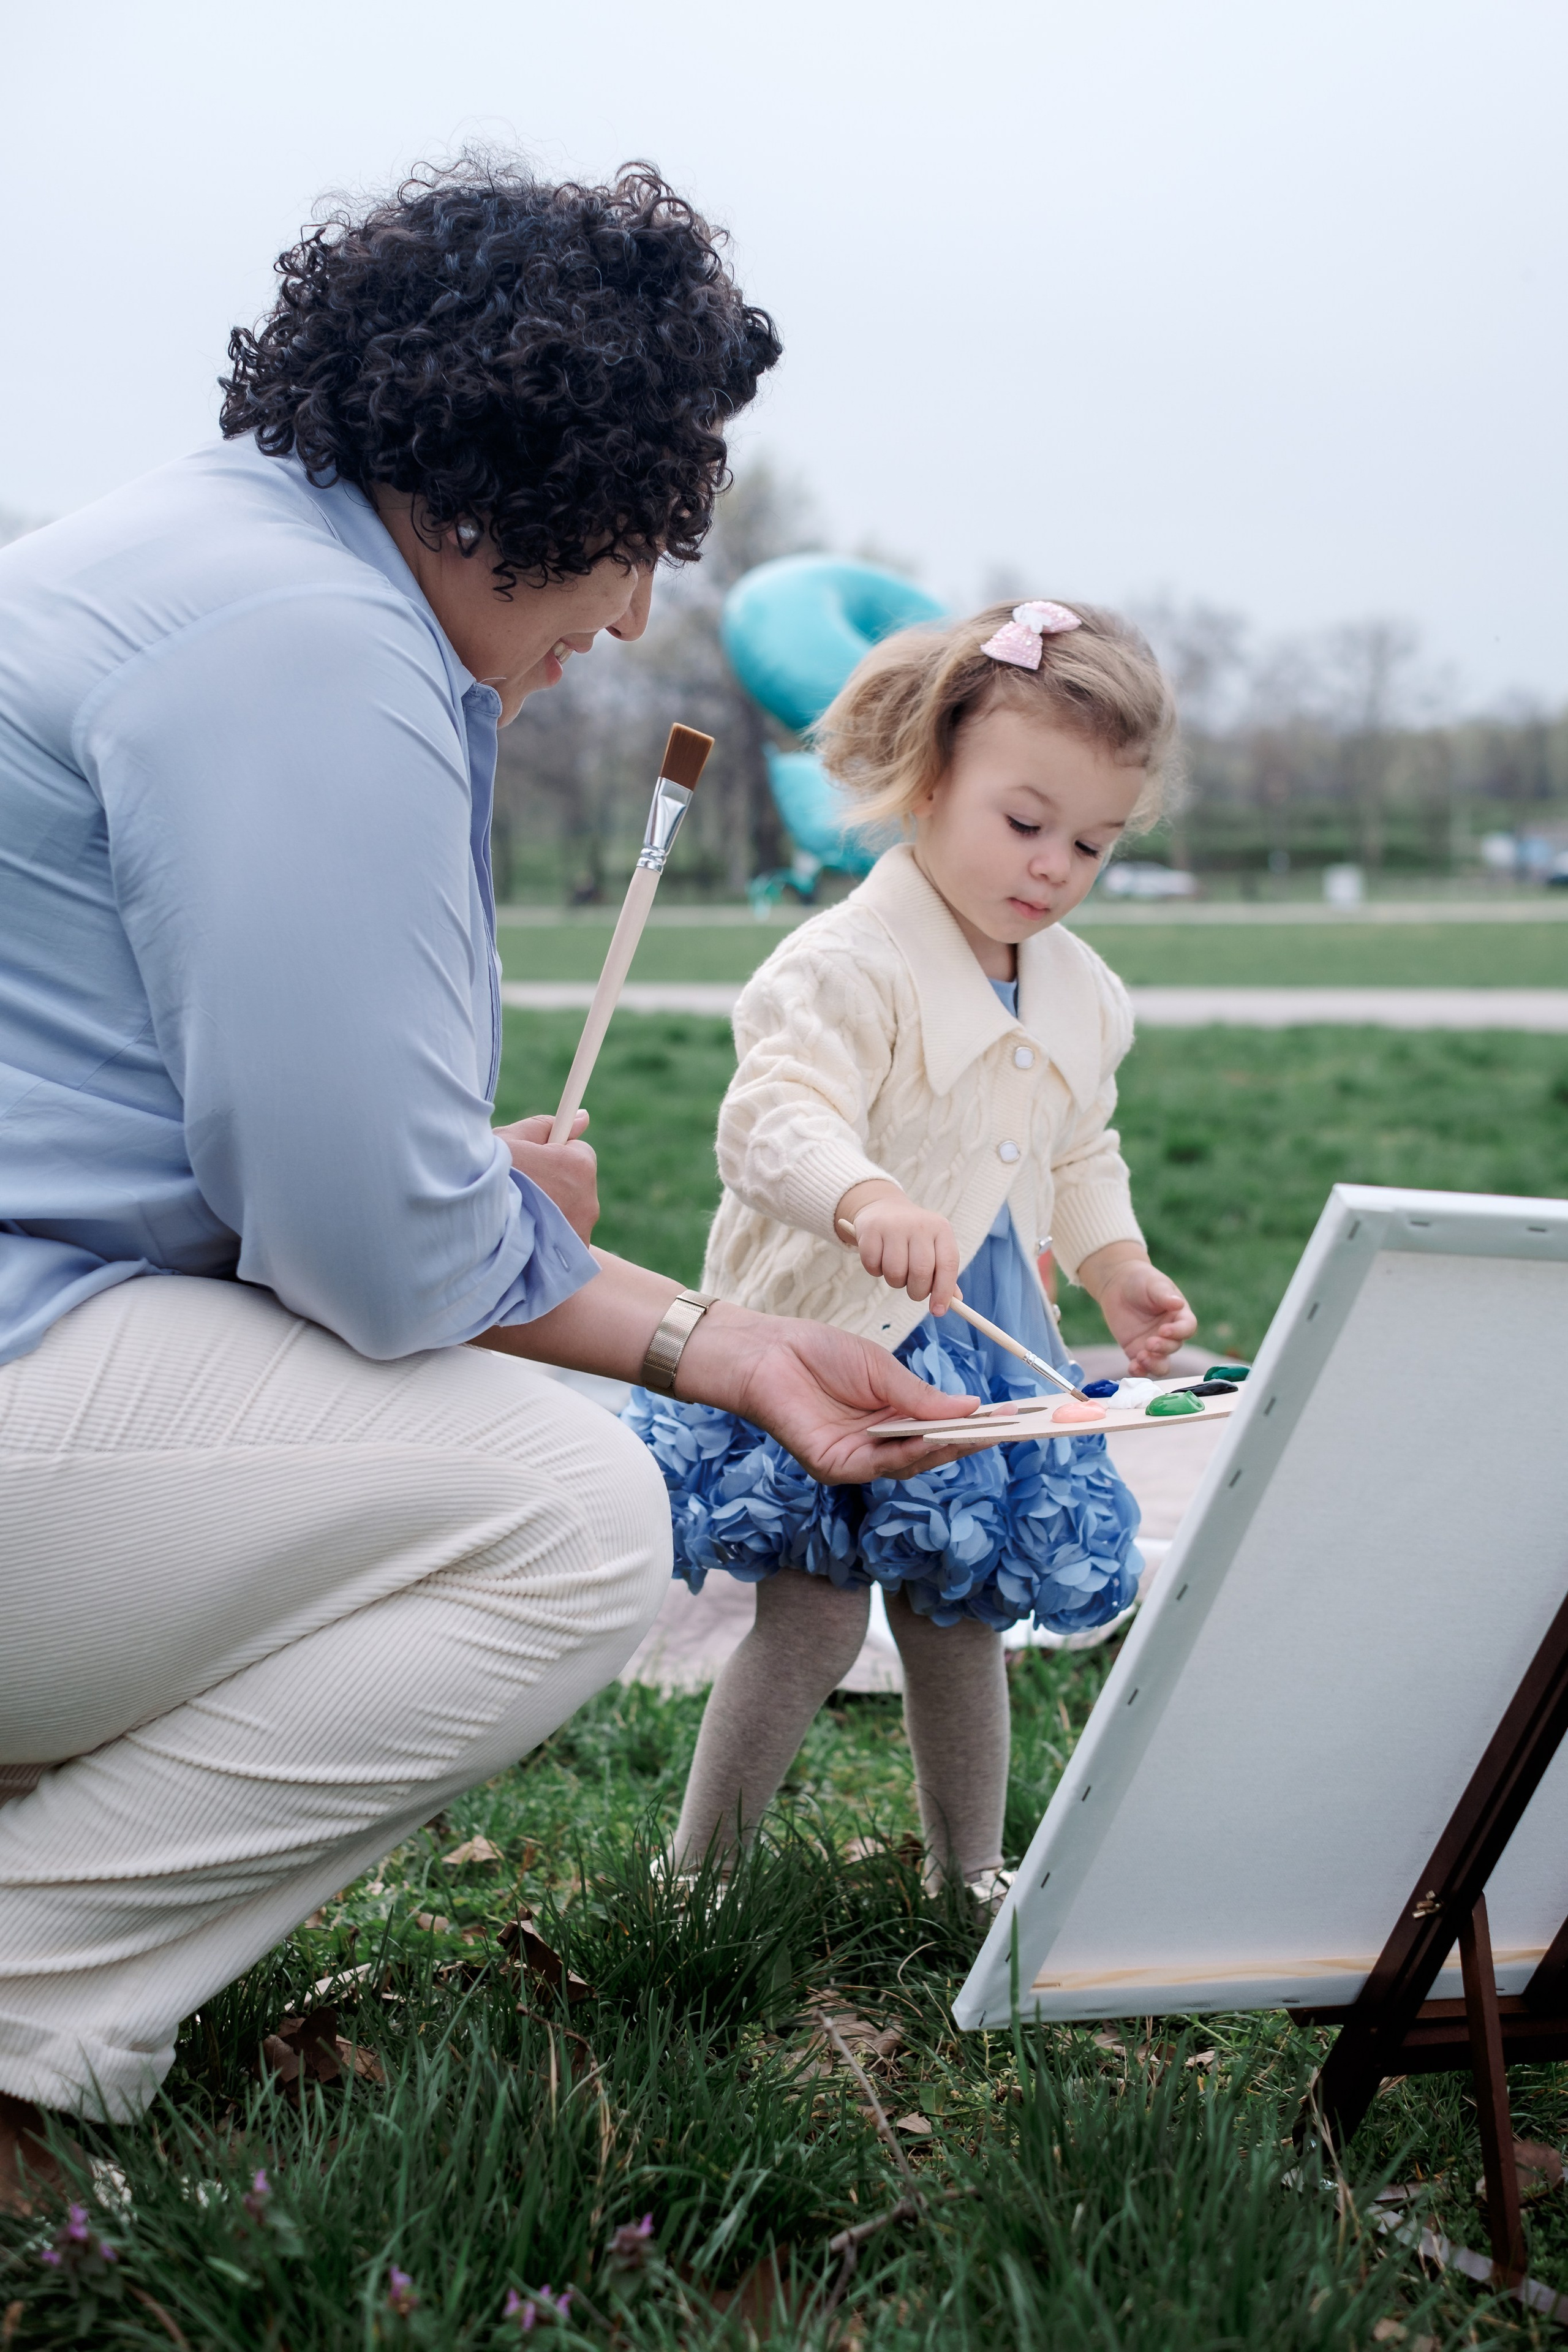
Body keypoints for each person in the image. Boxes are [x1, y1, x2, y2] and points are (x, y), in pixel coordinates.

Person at [0, 159, 982, 2204]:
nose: (630, 613)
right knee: (561, 1516)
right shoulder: (303, 641)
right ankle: (26, 1990)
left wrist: (620, 1286)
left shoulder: (199, 555)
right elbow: (369, 1245)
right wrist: (685, 1337)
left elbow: (304, 1175)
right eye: (633, 542)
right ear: (523, 484)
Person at [627, 597, 1198, 1901]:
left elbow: (1074, 1150)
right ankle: (696, 1876)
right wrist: (863, 1196)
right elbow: (773, 1119)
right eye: (1023, 821)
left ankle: (966, 1871)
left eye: (1092, 844)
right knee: (815, 1618)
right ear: (931, 780)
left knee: (961, 1620)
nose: (1053, 865)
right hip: (841, 1327)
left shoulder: (1078, 991)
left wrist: (1113, 1267)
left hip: (982, 1350)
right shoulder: (844, 965)